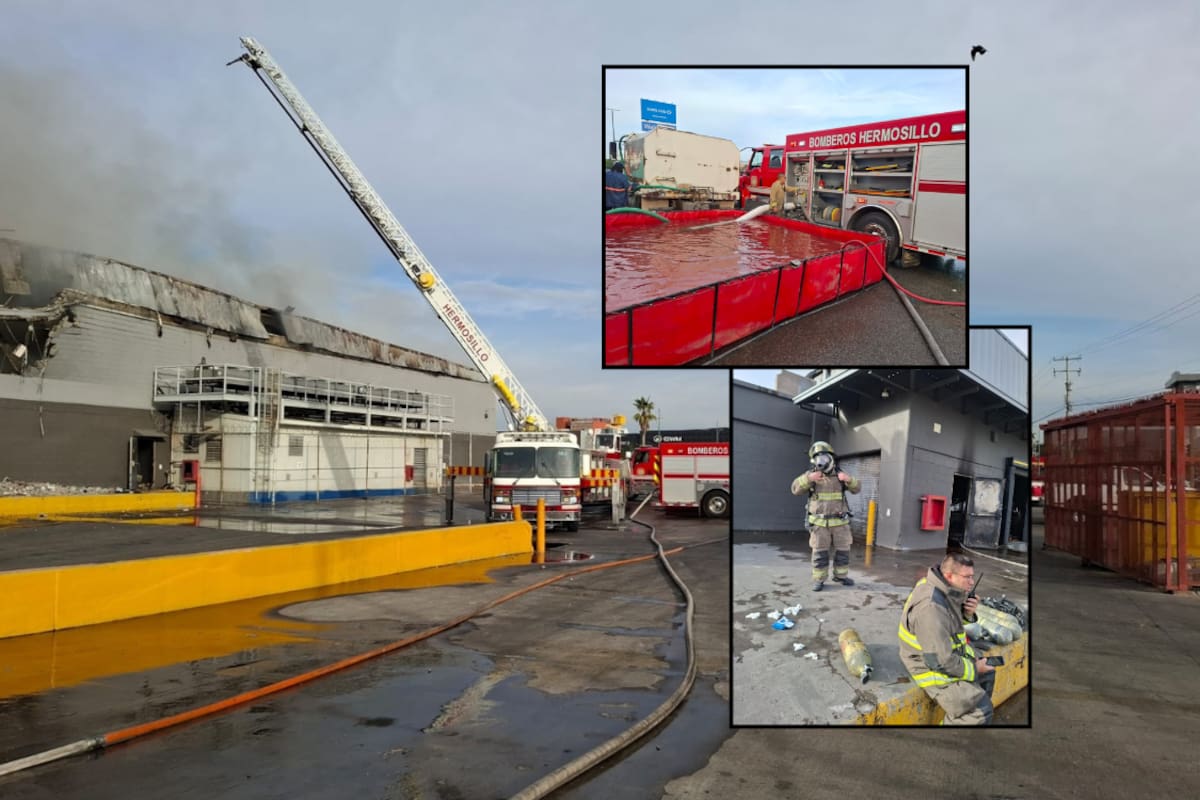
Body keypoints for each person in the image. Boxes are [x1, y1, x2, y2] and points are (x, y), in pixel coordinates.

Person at [898, 552, 997, 725]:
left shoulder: (942, 586)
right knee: (979, 713)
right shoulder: (930, 609)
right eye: (967, 577)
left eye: (972, 577)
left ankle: (971, 700)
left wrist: (966, 613)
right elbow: (939, 661)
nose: (971, 582)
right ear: (949, 576)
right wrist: (974, 669)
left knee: (989, 671)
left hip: (943, 652)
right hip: (927, 663)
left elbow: (948, 620)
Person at [790, 441, 861, 591]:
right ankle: (819, 579)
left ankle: (840, 576)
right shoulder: (811, 476)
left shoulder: (841, 475)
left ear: (831, 458)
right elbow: (795, 489)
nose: (821, 461)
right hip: (819, 525)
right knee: (819, 553)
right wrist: (809, 479)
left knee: (843, 551)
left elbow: (857, 489)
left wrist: (849, 480)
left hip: (840, 524)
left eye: (824, 457)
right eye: (818, 458)